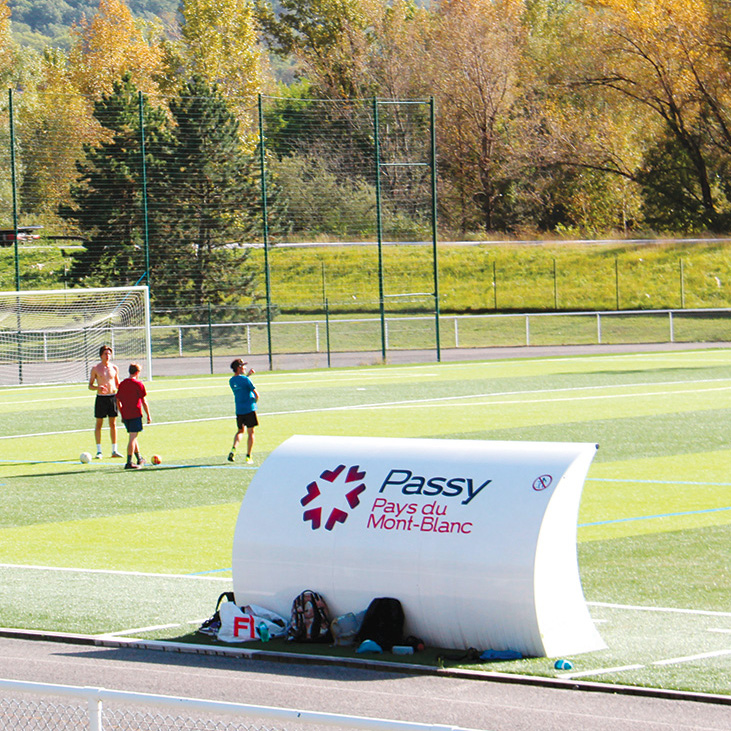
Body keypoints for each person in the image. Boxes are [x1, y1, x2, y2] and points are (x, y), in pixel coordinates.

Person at [88, 344, 123, 459]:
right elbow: (90, 385)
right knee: (99, 423)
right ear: (101, 355)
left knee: (113, 424)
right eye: (105, 354)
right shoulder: (96, 368)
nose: (107, 356)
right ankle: (99, 451)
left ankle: (114, 450)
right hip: (101, 399)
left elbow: (117, 384)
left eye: (109, 354)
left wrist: (122, 394)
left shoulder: (114, 368)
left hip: (112, 397)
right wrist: (98, 388)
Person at [116, 362, 151, 470]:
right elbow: (144, 401)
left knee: (133, 436)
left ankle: (139, 458)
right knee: (132, 438)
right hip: (135, 413)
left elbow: (117, 400)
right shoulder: (138, 384)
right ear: (137, 372)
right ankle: (129, 462)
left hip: (126, 414)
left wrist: (121, 413)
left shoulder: (122, 384)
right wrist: (148, 415)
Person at [228, 358, 258, 464]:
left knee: (240, 431)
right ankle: (248, 456)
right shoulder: (246, 380)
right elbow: (256, 394)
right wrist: (255, 402)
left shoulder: (231, 380)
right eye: (243, 366)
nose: (245, 367)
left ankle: (233, 449)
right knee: (251, 433)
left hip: (239, 410)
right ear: (239, 368)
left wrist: (248, 375)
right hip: (249, 409)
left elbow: (241, 383)